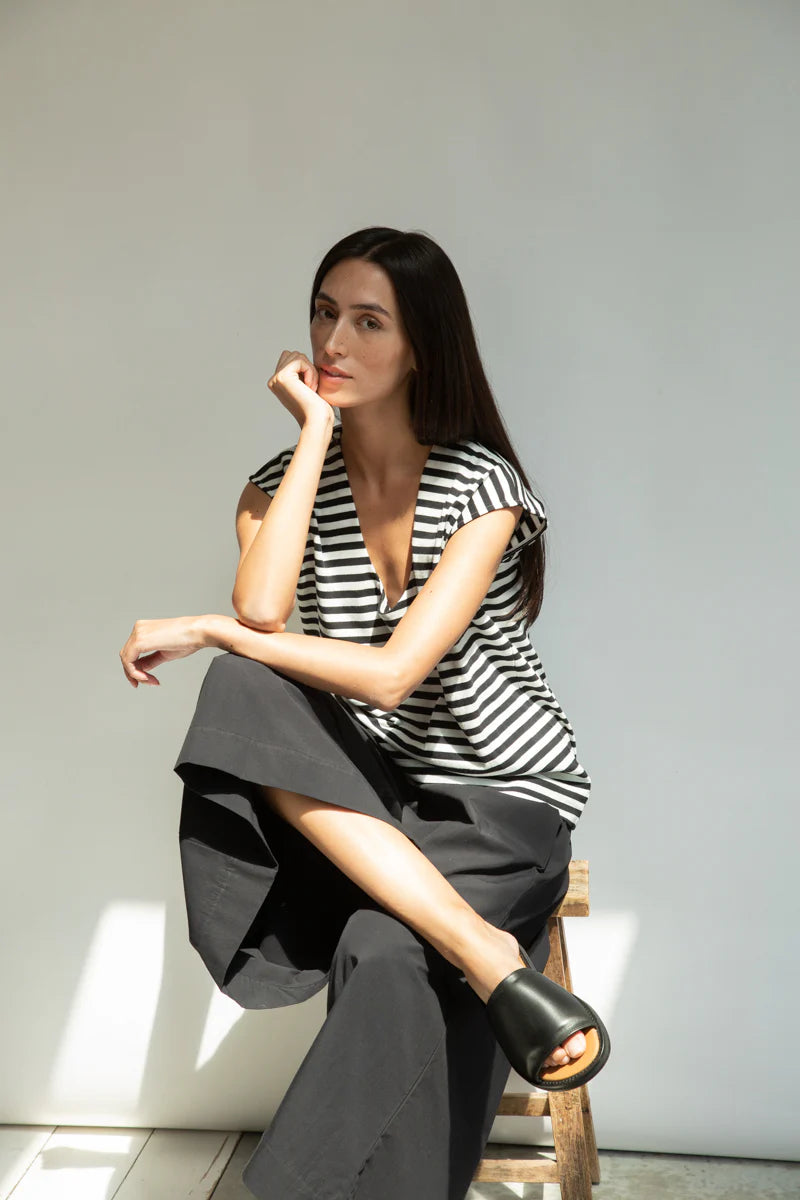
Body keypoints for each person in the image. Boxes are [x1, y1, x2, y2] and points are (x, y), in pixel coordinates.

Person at [119, 226, 610, 1200]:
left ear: (420, 345)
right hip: (369, 807)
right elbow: (264, 610)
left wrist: (208, 628)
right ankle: (488, 957)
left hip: (494, 801)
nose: (332, 340)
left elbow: (390, 677)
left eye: (367, 321)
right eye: (321, 313)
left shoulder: (481, 486)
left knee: (380, 948)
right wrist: (311, 436)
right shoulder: (282, 482)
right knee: (244, 683)